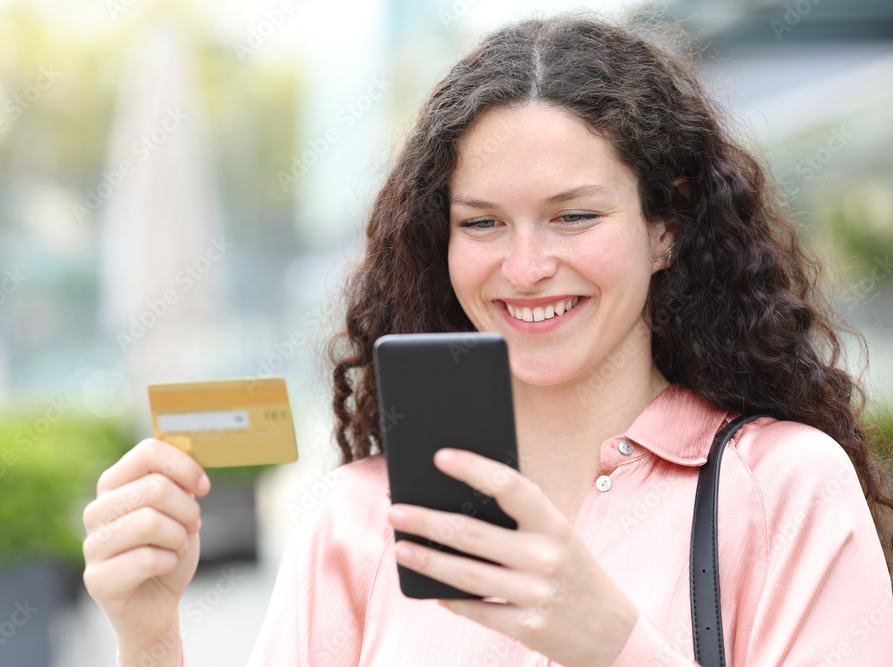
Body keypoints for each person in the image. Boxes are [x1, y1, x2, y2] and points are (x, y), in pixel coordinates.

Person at [81, 11, 893, 667]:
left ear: (666, 227)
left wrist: (611, 646)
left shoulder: (784, 490)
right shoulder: (362, 518)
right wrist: (148, 637)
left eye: (574, 215)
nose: (527, 266)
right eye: (483, 223)